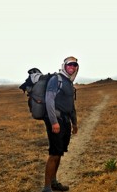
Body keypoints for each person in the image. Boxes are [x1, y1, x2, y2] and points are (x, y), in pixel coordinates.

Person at [41, 56, 79, 192]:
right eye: (70, 64)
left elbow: (71, 104)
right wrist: (54, 122)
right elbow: (49, 100)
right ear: (64, 65)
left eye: (75, 65)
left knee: (59, 153)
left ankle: (53, 182)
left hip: (65, 121)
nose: (72, 67)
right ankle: (46, 188)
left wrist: (74, 123)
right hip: (56, 121)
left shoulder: (69, 82)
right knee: (54, 153)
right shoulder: (55, 79)